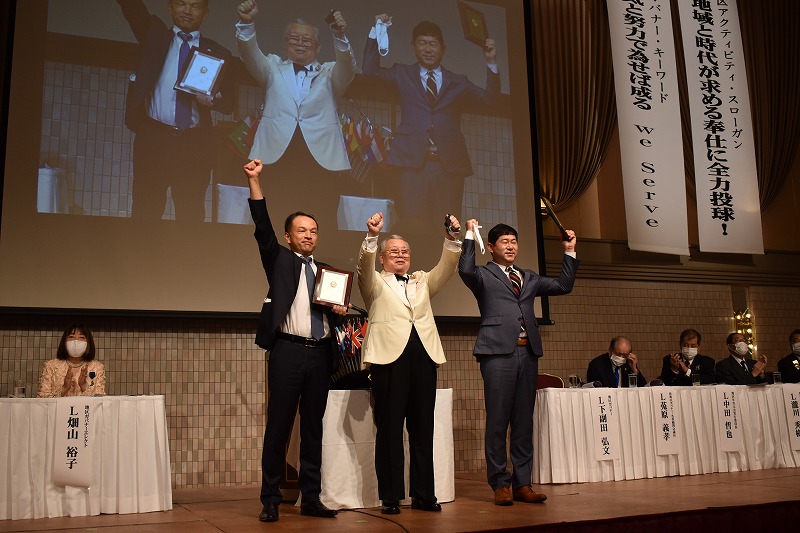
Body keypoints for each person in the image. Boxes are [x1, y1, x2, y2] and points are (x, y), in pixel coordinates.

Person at [243, 159, 347, 523]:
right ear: (288, 236)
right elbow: (262, 226)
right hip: (287, 351)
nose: (308, 235)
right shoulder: (280, 260)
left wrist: (340, 310)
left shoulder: (328, 272)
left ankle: (311, 498)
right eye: (301, 230)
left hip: (321, 354)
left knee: (313, 429)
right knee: (279, 427)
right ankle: (271, 499)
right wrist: (255, 181)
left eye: (313, 231)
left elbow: (334, 313)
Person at [459, 221, 578, 506]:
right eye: (505, 242)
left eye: (514, 241)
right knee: (498, 421)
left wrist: (569, 250)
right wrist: (469, 235)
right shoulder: (483, 274)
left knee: (524, 422)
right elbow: (465, 270)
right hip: (497, 353)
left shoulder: (529, 276)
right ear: (491, 247)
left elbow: (564, 285)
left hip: (528, 352)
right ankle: (501, 484)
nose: (511, 246)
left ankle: (523, 483)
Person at [357, 211, 462, 515]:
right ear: (382, 258)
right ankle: (391, 497)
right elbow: (363, 265)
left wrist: (451, 239)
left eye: (404, 251)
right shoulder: (374, 282)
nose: (400, 255)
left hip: (424, 356)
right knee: (390, 429)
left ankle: (424, 494)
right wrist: (372, 237)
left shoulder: (422, 281)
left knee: (422, 429)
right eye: (393, 251)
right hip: (389, 359)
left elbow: (446, 267)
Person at [362, 15, 500, 229]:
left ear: (443, 49)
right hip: (410, 164)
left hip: (448, 166)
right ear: (413, 46)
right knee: (411, 223)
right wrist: (376, 32)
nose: (427, 49)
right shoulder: (402, 73)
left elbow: (489, 100)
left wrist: (491, 62)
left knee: (447, 226)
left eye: (433, 44)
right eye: (422, 43)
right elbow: (370, 72)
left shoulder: (458, 81)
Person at [236, 1, 355, 229]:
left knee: (321, 219)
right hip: (277, 155)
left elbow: (347, 66)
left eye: (307, 40)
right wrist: (246, 23)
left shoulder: (329, 73)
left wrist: (339, 36)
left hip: (320, 158)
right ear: (285, 43)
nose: (300, 43)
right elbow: (249, 53)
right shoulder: (272, 67)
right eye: (294, 38)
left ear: (318, 47)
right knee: (274, 216)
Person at [118, 0, 234, 222]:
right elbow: (132, 8)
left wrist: (214, 100)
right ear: (169, 7)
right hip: (154, 138)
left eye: (195, 6)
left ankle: (186, 248)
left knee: (191, 216)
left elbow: (229, 103)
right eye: (181, 4)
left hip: (193, 144)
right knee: (145, 211)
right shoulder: (154, 36)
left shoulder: (218, 52)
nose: (187, 11)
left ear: (205, 13)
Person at [38, 324, 106, 397]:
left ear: (88, 342)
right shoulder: (51, 366)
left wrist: (83, 386)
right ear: (64, 341)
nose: (76, 341)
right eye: (71, 337)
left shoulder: (97, 368)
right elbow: (42, 399)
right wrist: (64, 388)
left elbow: (100, 400)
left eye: (81, 337)